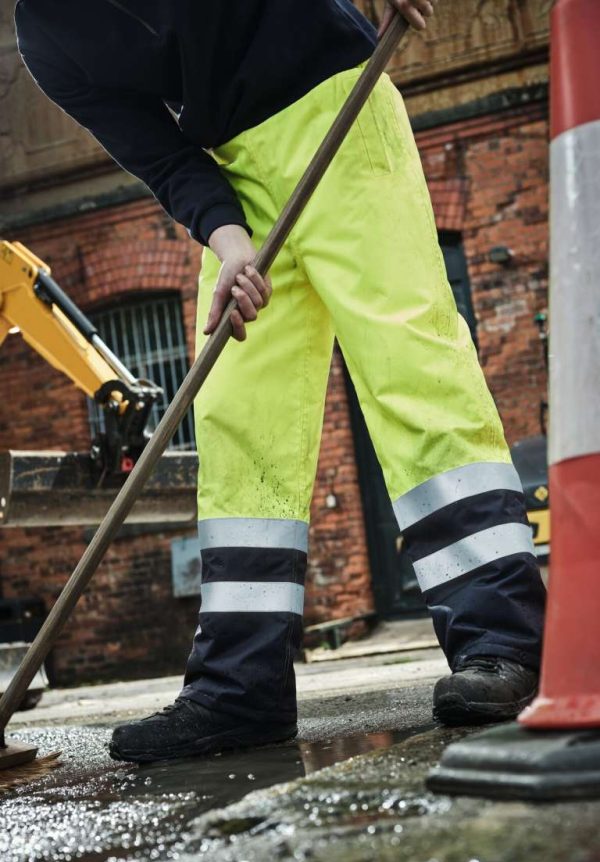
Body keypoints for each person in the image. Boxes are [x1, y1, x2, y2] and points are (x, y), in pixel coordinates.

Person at [15, 0, 546, 763]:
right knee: (239, 414)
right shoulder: (47, 35)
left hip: (338, 101)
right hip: (237, 176)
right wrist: (229, 245)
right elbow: (164, 157)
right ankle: (240, 689)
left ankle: (505, 643)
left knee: (410, 369)